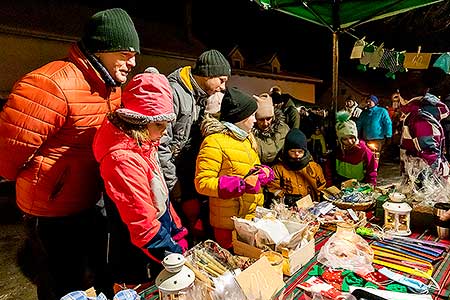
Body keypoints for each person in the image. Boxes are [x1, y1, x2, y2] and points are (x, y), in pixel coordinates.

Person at [0, 8, 140, 299]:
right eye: (126, 54)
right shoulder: (50, 84)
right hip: (52, 210)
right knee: (60, 283)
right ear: (101, 48)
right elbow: (8, 153)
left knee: (91, 275)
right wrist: (45, 182)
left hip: (89, 200)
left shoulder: (111, 87)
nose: (133, 63)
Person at [92, 71, 187, 291]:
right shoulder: (122, 159)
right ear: (141, 122)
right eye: (161, 126)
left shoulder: (144, 144)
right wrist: (170, 251)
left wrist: (176, 228)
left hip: (154, 245)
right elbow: (141, 223)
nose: (165, 133)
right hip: (136, 257)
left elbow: (159, 196)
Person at [158, 49, 231, 242]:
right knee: (176, 233)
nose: (223, 87)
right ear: (207, 74)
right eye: (221, 80)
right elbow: (161, 145)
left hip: (185, 177)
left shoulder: (197, 95)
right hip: (172, 181)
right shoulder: (174, 92)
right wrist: (175, 188)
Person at [194, 87, 274, 249]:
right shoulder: (214, 142)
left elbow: (250, 168)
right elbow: (202, 183)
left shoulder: (247, 139)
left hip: (250, 217)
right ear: (240, 116)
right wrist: (240, 185)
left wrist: (264, 172)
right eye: (252, 115)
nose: (254, 120)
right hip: (228, 223)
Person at [267, 128, 326, 207]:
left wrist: (320, 200)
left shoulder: (314, 167)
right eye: (293, 151)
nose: (297, 154)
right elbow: (273, 188)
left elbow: (322, 186)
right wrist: (286, 198)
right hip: (288, 207)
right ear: (287, 151)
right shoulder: (278, 169)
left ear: (305, 151)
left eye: (300, 151)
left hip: (312, 206)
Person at [335, 111, 378, 186]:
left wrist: (371, 184)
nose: (349, 141)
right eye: (345, 139)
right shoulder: (338, 151)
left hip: (358, 184)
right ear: (340, 140)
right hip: (340, 183)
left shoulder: (364, 151)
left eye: (351, 137)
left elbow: (371, 169)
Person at [252, 93, 290, 166]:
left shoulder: (283, 129)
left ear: (273, 117)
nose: (265, 123)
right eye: (261, 119)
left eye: (268, 118)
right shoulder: (250, 133)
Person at [356, 95, 392, 162]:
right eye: (367, 102)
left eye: (370, 101)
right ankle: (367, 169)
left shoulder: (382, 111)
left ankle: (374, 170)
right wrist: (357, 134)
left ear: (375, 102)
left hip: (377, 138)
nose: (368, 103)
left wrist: (388, 135)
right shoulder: (364, 113)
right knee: (366, 155)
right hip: (366, 138)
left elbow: (387, 123)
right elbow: (359, 124)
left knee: (375, 156)